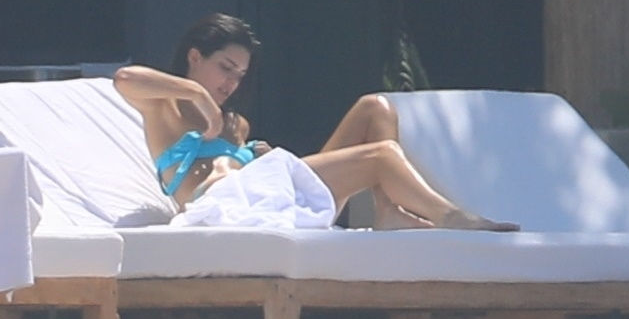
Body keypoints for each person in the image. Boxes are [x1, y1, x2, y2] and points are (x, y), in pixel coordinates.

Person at [113, 13, 519, 231]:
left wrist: (257, 158)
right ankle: (450, 217)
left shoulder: (237, 124)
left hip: (270, 195)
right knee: (381, 155)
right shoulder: (164, 109)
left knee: (375, 107)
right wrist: (197, 95)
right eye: (225, 68)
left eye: (240, 75)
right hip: (225, 206)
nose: (232, 83)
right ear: (194, 57)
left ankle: (388, 211)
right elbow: (125, 79)